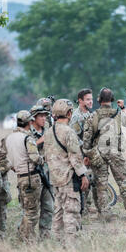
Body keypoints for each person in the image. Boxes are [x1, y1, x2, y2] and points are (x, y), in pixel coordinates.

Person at [83, 88, 126, 221]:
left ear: (99, 100)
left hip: (98, 154)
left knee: (101, 185)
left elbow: (86, 139)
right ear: (112, 100)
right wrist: (123, 108)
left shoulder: (93, 116)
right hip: (115, 153)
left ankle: (105, 213)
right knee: (123, 182)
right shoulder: (118, 114)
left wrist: (88, 155)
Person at [44, 99, 89, 243]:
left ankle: (57, 243)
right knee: (71, 213)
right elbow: (75, 157)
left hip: (55, 179)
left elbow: (46, 155)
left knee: (58, 213)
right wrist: (83, 175)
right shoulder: (69, 132)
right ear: (69, 113)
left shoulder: (49, 132)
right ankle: (71, 246)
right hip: (69, 179)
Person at [0, 110, 44, 242]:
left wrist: (12, 166)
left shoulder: (8, 138)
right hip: (31, 178)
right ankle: (26, 239)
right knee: (32, 213)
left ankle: (21, 236)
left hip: (20, 177)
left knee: (26, 209)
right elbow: (35, 158)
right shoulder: (27, 138)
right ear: (29, 122)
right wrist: (43, 159)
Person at [29, 105, 54, 239]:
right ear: (33, 118)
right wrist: (41, 140)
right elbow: (26, 150)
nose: (44, 118)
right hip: (32, 176)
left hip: (48, 174)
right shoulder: (27, 132)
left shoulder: (48, 130)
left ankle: (45, 237)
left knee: (48, 207)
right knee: (31, 210)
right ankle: (27, 236)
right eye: (41, 116)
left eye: (45, 115)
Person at [69, 88, 95, 214]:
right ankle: (81, 209)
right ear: (80, 100)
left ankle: (87, 206)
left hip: (90, 152)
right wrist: (85, 154)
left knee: (90, 180)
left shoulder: (89, 113)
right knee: (83, 181)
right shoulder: (76, 116)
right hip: (82, 154)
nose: (91, 102)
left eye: (91, 99)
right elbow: (75, 138)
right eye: (88, 99)